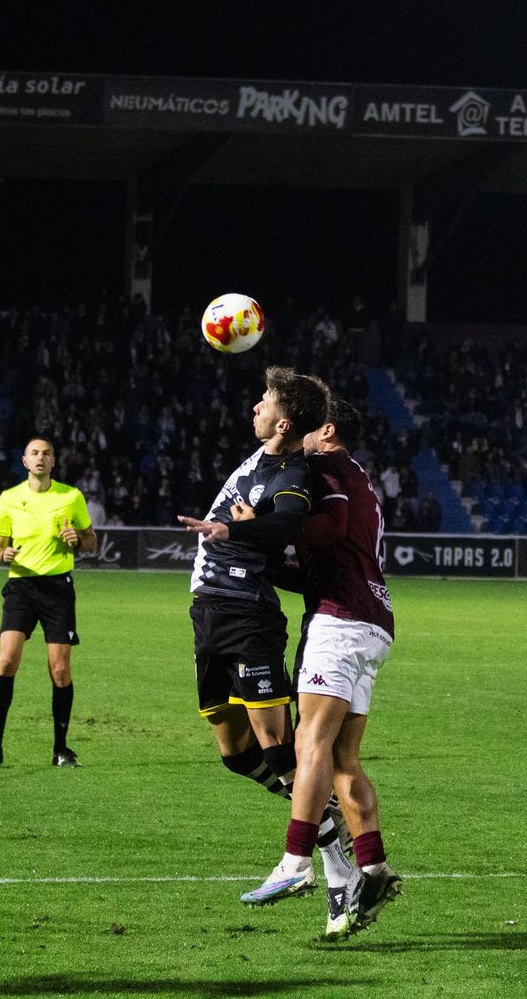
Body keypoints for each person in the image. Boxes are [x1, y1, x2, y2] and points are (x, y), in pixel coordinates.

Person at [176, 367, 353, 899]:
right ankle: (324, 811)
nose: (254, 408)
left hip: (247, 612)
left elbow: (287, 524)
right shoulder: (264, 459)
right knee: (234, 753)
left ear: (284, 423)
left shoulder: (292, 474)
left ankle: (317, 854)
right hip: (208, 611)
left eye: (264, 403)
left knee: (276, 743)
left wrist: (237, 528)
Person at [247, 400, 400, 939]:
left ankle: (294, 861)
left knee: (308, 743)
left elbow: (328, 531)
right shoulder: (362, 479)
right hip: (371, 620)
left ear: (327, 431)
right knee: (343, 759)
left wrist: (262, 526)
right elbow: (330, 562)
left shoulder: (328, 468)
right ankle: (374, 868)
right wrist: (271, 560)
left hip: (338, 624)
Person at [0, 437, 97, 769]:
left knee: (60, 668)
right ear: (24, 461)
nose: (41, 458)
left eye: (47, 453)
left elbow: (91, 542)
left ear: (54, 461)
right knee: (7, 660)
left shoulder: (71, 497)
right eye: (34, 453)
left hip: (58, 589)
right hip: (21, 587)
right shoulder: (9, 499)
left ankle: (61, 750)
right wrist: (4, 555)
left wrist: (78, 540)